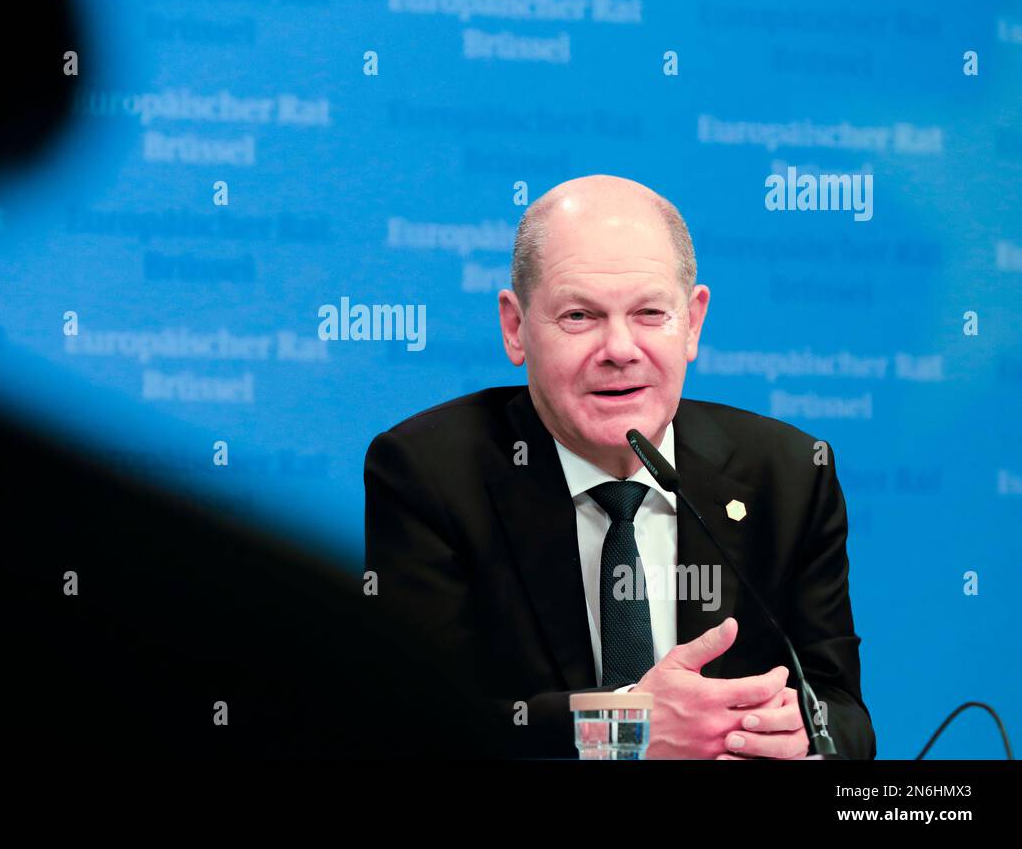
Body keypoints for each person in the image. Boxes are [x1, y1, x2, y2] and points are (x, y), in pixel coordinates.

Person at [364, 174, 876, 759]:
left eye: (650, 313)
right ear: (516, 327)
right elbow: (415, 721)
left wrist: (799, 731)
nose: (620, 349)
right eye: (580, 316)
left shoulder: (787, 474)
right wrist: (626, 726)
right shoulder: (429, 472)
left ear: (693, 323)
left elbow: (841, 711)